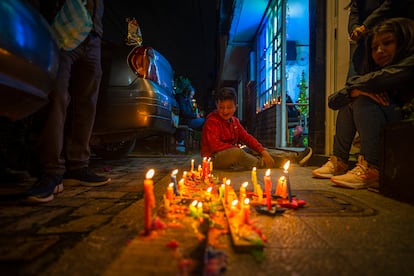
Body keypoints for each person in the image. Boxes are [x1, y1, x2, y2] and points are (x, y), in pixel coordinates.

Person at [313, 17, 414, 190]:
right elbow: (333, 101)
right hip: (394, 123)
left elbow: (383, 79)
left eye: (387, 43)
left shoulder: (409, 63)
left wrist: (357, 89)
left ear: (403, 40)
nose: (380, 51)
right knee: (351, 99)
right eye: (374, 48)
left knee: (362, 99)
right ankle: (339, 161)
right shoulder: (375, 71)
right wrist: (354, 91)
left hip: (406, 126)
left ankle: (372, 167)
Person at [26, 0, 109, 203]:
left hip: (93, 35)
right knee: (56, 97)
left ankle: (78, 166)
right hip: (61, 25)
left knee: (87, 103)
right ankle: (51, 171)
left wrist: (96, 29)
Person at [201, 87, 312, 170]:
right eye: (221, 107)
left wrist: (263, 152)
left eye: (229, 107)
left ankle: (294, 157)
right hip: (213, 159)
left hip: (233, 152)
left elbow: (247, 138)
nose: (225, 111)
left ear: (236, 107)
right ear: (217, 106)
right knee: (238, 153)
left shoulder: (234, 121)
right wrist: (238, 148)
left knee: (254, 149)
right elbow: (215, 145)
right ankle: (261, 163)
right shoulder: (212, 121)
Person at [175, 84, 205, 151]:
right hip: (184, 120)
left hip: (188, 120)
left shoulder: (187, 101)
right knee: (205, 122)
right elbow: (183, 113)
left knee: (206, 123)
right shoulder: (181, 99)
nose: (191, 97)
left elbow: (189, 112)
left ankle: (203, 143)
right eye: (191, 95)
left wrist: (196, 115)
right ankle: (204, 144)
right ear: (187, 93)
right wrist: (195, 115)